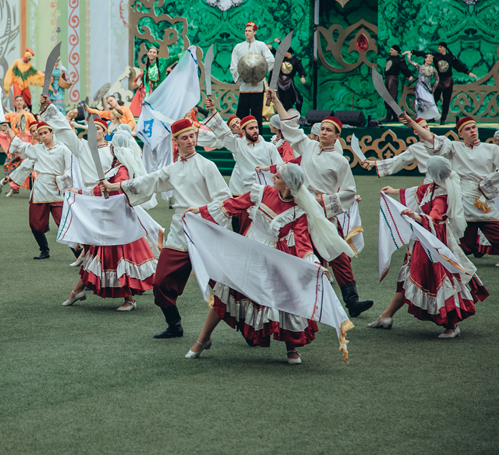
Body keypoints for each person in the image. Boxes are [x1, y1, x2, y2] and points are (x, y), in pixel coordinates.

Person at [183, 163, 352, 363]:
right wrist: (202, 211)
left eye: (278, 176)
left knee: (285, 299)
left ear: (288, 185)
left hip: (275, 257)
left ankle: (292, 349)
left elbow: (302, 243)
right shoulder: (262, 192)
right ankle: (202, 340)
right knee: (227, 292)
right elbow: (234, 204)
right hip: (249, 250)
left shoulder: (299, 212)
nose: (273, 177)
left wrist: (314, 266)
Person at [101, 119, 231, 338]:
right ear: (176, 142)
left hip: (206, 231)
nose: (190, 140)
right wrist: (116, 186)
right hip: (181, 231)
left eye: (192, 136)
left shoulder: (207, 166)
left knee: (227, 287)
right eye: (185, 137)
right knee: (161, 281)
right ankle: (174, 325)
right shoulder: (173, 169)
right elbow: (148, 181)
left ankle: (250, 330)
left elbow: (224, 198)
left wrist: (201, 210)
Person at [269, 89, 373, 317]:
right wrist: (276, 100)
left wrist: (323, 200)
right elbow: (289, 127)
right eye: (322, 128)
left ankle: (351, 300)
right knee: (301, 253)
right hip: (300, 209)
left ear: (337, 136)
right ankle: (294, 300)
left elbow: (348, 192)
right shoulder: (307, 146)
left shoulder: (340, 161)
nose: (324, 132)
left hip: (324, 212)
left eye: (329, 130)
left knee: (338, 254)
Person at [370, 157, 489, 338]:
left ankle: (452, 325)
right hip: (423, 238)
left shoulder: (442, 194)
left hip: (433, 241)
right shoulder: (434, 186)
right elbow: (418, 191)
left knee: (435, 279)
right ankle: (386, 316)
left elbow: (435, 216)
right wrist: (394, 191)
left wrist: (416, 216)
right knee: (410, 276)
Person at [62, 130, 156, 311]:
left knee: (117, 257)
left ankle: (129, 299)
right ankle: (78, 290)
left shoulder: (122, 169)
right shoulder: (118, 166)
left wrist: (83, 192)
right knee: (97, 255)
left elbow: (117, 191)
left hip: (118, 222)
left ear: (114, 148)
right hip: (111, 219)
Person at [400, 115, 499, 256]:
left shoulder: (492, 149)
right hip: (462, 204)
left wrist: (486, 187)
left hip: (483, 203)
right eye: (467, 129)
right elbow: (431, 138)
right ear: (460, 134)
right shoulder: (454, 147)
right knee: (461, 246)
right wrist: (412, 123)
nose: (472, 131)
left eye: (474, 127)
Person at [4, 120, 71, 259]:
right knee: (35, 223)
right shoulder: (37, 149)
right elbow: (21, 145)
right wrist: (9, 131)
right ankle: (44, 250)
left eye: (46, 133)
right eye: (40, 134)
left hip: (57, 189)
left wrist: (62, 180)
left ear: (52, 133)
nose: (43, 136)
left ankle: (79, 254)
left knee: (64, 223)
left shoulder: (64, 150)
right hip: (40, 189)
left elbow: (71, 170)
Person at [203, 95, 283, 196]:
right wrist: (213, 109)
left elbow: (281, 167)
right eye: (251, 128)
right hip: (248, 192)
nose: (255, 131)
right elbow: (224, 133)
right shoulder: (238, 145)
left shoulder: (269, 147)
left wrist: (267, 168)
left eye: (256, 127)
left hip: (269, 190)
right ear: (243, 132)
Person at [39, 95, 114, 191]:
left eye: (97, 128)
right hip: (89, 192)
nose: (93, 130)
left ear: (104, 133)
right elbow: (65, 130)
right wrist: (48, 107)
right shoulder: (82, 146)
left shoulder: (113, 149)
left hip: (110, 192)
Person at [0, 95, 36, 197]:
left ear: (23, 102)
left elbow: (35, 126)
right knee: (8, 165)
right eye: (17, 100)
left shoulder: (28, 115)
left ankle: (32, 190)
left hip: (25, 144)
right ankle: (14, 187)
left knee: (27, 167)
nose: (19, 102)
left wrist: (30, 134)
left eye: (20, 100)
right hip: (14, 144)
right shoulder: (11, 115)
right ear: (14, 103)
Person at [412, 42, 478, 125]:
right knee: (434, 100)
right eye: (438, 47)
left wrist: (468, 72)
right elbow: (424, 54)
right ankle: (431, 117)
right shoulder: (436, 56)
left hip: (448, 81)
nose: (439, 49)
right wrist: (413, 52)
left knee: (446, 101)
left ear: (444, 48)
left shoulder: (450, 57)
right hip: (439, 80)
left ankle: (443, 119)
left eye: (440, 47)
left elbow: (458, 65)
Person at [230, 22, 275, 133]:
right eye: (246, 31)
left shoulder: (261, 45)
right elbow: (234, 65)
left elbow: (270, 60)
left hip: (257, 85)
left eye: (249, 31)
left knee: (256, 113)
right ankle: (240, 134)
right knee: (241, 112)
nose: (247, 33)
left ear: (255, 32)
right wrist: (241, 75)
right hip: (245, 85)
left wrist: (260, 72)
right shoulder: (238, 47)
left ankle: (257, 135)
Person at [361, 117, 432, 183]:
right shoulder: (415, 148)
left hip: (443, 179)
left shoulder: (440, 140)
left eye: (427, 126)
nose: (426, 129)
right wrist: (373, 163)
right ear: (416, 132)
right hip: (430, 181)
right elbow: (398, 161)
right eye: (423, 128)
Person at [129, 43, 184, 116]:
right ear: (148, 53)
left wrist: (189, 50)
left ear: (157, 55)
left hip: (165, 92)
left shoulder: (163, 62)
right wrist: (146, 99)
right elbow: (147, 86)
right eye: (150, 52)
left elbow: (176, 57)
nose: (152, 54)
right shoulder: (146, 69)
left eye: (154, 52)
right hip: (156, 94)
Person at [267, 41, 306, 112]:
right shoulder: (282, 59)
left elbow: (300, 69)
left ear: (288, 53)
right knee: (282, 98)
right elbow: (276, 53)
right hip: (281, 81)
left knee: (292, 97)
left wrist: (302, 76)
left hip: (289, 82)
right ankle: (285, 111)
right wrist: (272, 48)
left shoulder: (295, 61)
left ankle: (292, 111)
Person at [379, 45, 414, 123]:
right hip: (388, 78)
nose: (390, 51)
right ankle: (395, 115)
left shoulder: (399, 60)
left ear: (396, 51)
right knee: (387, 95)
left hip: (392, 78)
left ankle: (389, 115)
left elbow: (403, 68)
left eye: (392, 50)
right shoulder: (389, 59)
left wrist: (408, 75)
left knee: (391, 96)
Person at [403, 51, 440, 121]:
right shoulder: (420, 67)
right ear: (425, 59)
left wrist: (433, 88)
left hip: (428, 88)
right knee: (420, 103)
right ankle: (420, 117)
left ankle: (430, 117)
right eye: (429, 58)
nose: (430, 60)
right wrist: (409, 55)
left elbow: (437, 79)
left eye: (431, 59)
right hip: (420, 87)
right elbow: (410, 62)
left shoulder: (433, 69)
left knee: (430, 102)